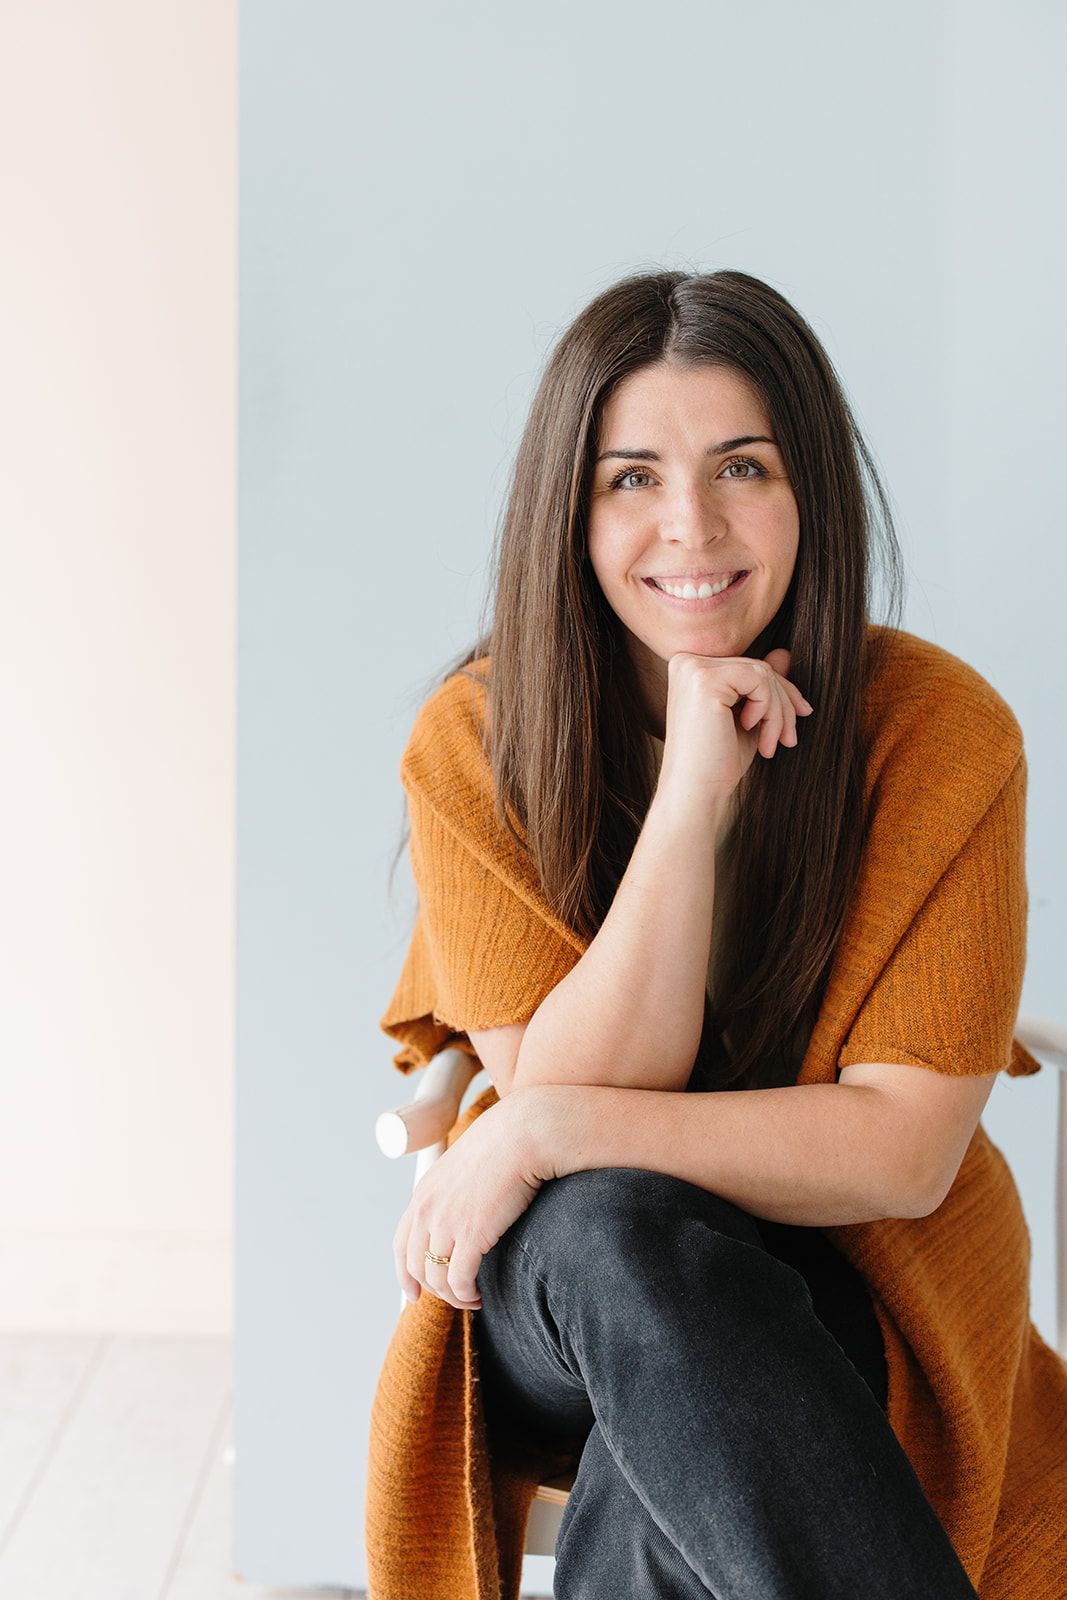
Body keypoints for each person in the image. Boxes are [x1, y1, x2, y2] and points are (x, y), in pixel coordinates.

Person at [365, 269, 1067, 1600]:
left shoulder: (940, 736)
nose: (690, 523)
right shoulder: (476, 743)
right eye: (632, 476)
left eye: (740, 466)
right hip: (559, 1299)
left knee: (694, 1452)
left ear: (811, 492)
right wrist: (690, 802)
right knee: (623, 1234)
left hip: (851, 1285)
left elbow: (905, 1156)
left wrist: (546, 1128)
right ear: (569, 512)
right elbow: (573, 1087)